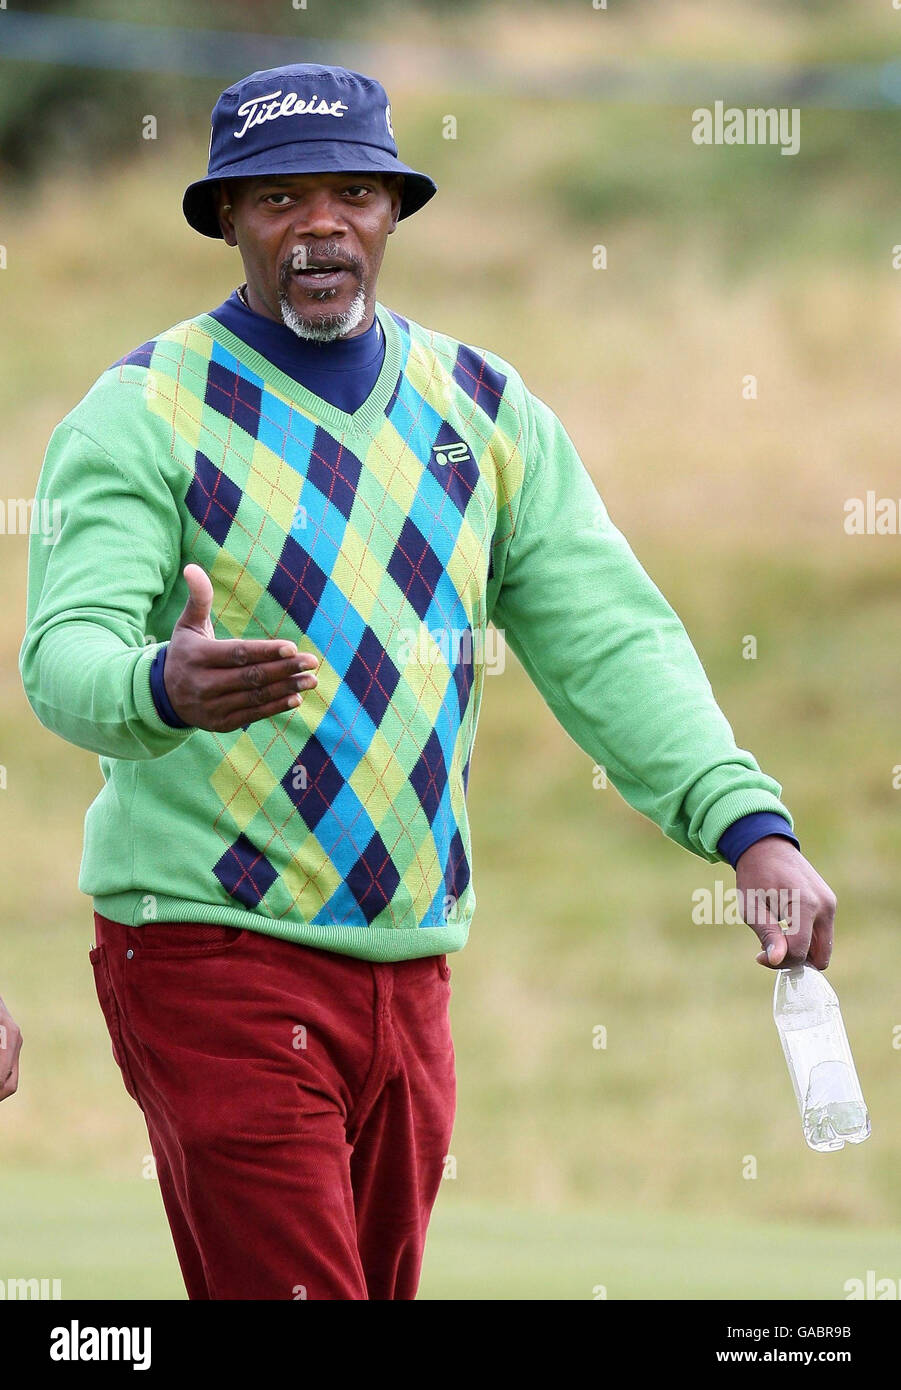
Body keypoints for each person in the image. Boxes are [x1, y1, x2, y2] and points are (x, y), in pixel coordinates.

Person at [13, 63, 836, 1300]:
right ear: (227, 221)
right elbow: (60, 658)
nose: (321, 222)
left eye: (353, 190)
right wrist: (158, 682)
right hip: (207, 954)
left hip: (411, 965)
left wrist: (746, 825)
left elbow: (610, 640)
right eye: (280, 198)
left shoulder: (485, 410)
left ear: (393, 213)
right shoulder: (140, 414)